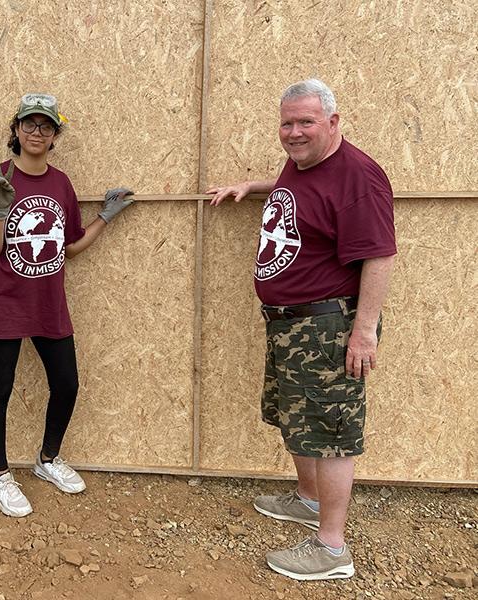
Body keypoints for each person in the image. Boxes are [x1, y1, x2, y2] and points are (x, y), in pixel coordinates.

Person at [207, 79, 396, 581]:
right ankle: (309, 501)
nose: (293, 132)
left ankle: (332, 549)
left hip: (328, 326)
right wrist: (253, 187)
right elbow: (300, 190)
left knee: (330, 430)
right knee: (296, 417)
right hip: (290, 324)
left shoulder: (359, 177)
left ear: (333, 122)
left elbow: (379, 256)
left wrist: (364, 332)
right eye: (287, 123)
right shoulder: (300, 162)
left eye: (305, 122)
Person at [0, 92, 135, 517]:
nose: (37, 132)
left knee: (67, 383)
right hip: (3, 302)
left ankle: (47, 459)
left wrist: (105, 218)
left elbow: (69, 247)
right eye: (29, 124)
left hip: (48, 302)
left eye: (46, 126)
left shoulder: (60, 183)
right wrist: (1, 212)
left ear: (55, 134)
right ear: (16, 130)